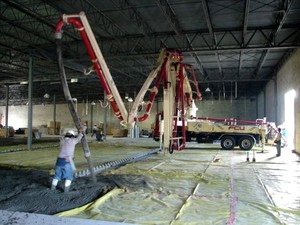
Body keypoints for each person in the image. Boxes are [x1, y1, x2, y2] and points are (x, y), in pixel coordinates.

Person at [51, 127, 83, 192]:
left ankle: (52, 188)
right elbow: (79, 138)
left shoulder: (62, 140)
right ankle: (66, 190)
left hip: (59, 160)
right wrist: (80, 132)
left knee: (57, 175)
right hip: (68, 160)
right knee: (69, 176)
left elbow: (65, 137)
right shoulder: (72, 141)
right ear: (72, 136)